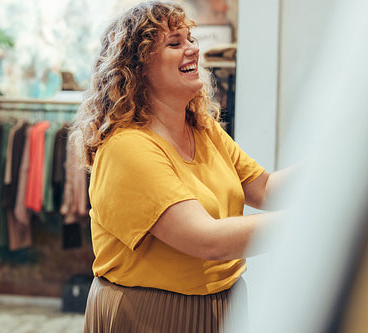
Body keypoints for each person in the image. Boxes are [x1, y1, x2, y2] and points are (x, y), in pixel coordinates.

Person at [69, 1, 287, 332]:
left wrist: (335, 165)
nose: (192, 50)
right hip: (153, 313)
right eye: (175, 43)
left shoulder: (202, 127)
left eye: (190, 39)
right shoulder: (128, 148)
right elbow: (206, 240)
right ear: (138, 68)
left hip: (223, 305)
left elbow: (265, 189)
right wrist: (310, 224)